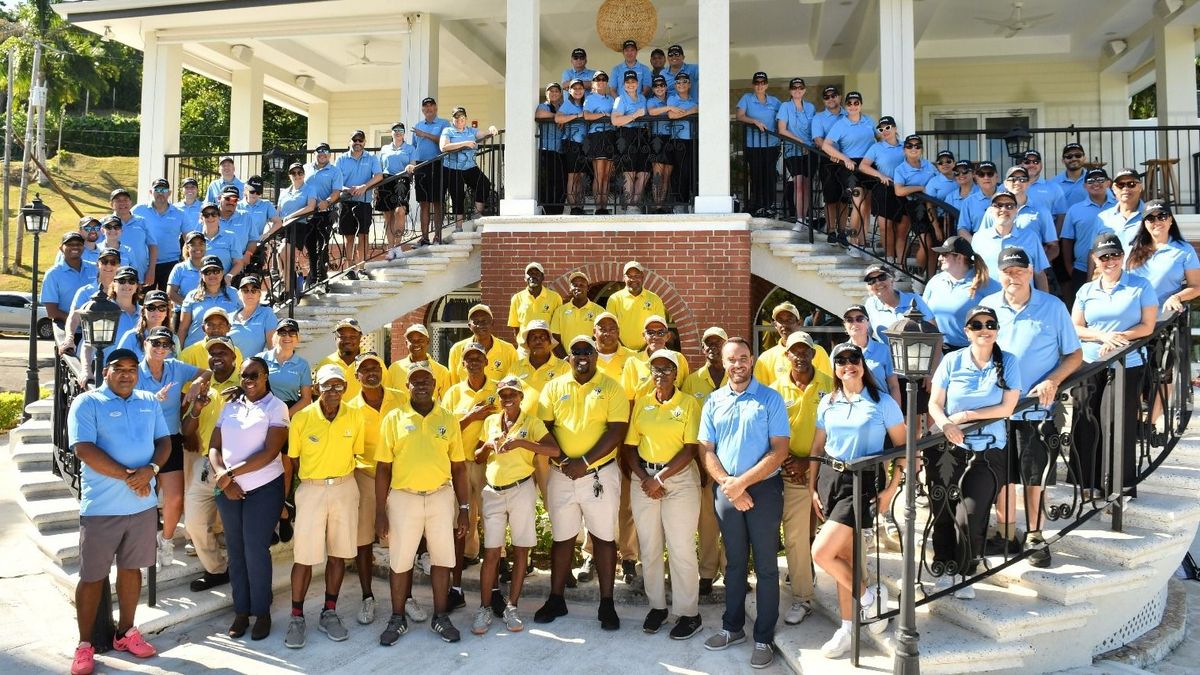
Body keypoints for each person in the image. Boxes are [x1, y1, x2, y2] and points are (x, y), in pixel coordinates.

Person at [67, 349, 170, 675]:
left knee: (131, 569)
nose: (126, 374)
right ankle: (85, 645)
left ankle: (127, 631)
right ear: (106, 371)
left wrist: (151, 470)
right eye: (119, 369)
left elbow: (165, 442)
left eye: (131, 369)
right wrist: (132, 477)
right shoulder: (87, 403)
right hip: (102, 508)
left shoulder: (148, 400)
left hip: (141, 506)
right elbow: (84, 449)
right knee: (92, 576)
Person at [981, 247, 1083, 565]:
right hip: (996, 408)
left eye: (1019, 270)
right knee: (1001, 475)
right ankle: (1007, 533)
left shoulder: (1052, 307)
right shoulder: (987, 308)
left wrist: (1053, 379)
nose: (1014, 276)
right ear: (1000, 274)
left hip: (1035, 409)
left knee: (1033, 475)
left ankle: (1035, 536)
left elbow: (1075, 355)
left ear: (1030, 270)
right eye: (1007, 271)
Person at [809, 342, 904, 659]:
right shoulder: (828, 402)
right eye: (841, 360)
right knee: (845, 560)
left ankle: (868, 600)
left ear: (863, 365)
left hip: (861, 483)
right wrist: (811, 488)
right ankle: (849, 629)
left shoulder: (882, 402)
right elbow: (817, 446)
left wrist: (891, 489)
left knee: (821, 553)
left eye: (853, 359)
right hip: (830, 480)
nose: (848, 364)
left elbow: (903, 449)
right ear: (834, 368)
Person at [698, 337, 788, 669]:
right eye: (732, 359)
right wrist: (727, 484)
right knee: (734, 564)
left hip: (762, 490)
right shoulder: (713, 401)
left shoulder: (770, 399)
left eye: (743, 358)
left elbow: (780, 449)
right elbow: (707, 449)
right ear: (723, 362)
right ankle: (732, 627)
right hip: (726, 491)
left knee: (765, 566)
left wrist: (742, 484)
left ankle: (763, 637)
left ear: (752, 361)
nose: (738, 364)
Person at [533, 334, 628, 630]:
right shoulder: (553, 387)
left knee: (603, 537)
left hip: (598, 473)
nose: (582, 355)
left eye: (588, 350)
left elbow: (616, 431)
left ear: (596, 356)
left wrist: (583, 462)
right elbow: (543, 426)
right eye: (576, 351)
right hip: (562, 474)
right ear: (569, 357)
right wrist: (563, 461)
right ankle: (556, 598)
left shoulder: (612, 387)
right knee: (562, 537)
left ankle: (607, 603)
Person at [926, 307, 1021, 596]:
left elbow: (1007, 408)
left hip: (988, 450)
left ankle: (966, 571)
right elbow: (934, 404)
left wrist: (965, 416)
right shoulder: (953, 361)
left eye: (990, 324)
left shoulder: (1009, 361)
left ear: (996, 329)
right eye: (977, 324)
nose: (984, 329)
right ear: (967, 331)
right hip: (947, 448)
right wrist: (944, 424)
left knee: (972, 513)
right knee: (942, 509)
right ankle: (944, 565)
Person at [375, 363, 469, 645]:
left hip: (440, 496)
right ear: (407, 387)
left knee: (442, 559)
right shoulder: (393, 418)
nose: (421, 385)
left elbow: (460, 467)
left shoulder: (449, 419)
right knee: (401, 560)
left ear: (435, 384)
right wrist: (380, 511)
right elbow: (382, 469)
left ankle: (440, 616)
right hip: (404, 497)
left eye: (426, 380)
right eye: (415, 381)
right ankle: (397, 617)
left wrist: (464, 508)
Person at [621, 350, 704, 639]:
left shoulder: (689, 403)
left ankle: (689, 613)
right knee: (650, 547)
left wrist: (659, 478)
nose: (660, 374)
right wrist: (646, 478)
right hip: (643, 480)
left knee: (680, 548)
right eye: (655, 369)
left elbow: (690, 448)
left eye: (667, 369)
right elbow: (630, 446)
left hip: (678, 481)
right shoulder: (643, 403)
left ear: (677, 373)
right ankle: (657, 607)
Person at [472, 377, 562, 635]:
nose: (507, 399)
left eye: (513, 394)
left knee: (521, 549)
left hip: (521, 489)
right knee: (491, 552)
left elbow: (553, 450)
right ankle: (485, 607)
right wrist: (488, 446)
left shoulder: (531, 422)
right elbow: (477, 458)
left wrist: (522, 443)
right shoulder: (490, 422)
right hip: (493, 492)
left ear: (521, 397)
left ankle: (512, 606)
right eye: (503, 395)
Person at [284, 364, 366, 649]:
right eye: (327, 386)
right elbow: (293, 461)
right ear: (317, 388)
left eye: (338, 386)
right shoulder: (302, 419)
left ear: (345, 388)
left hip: (345, 487)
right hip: (312, 490)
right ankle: (296, 616)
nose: (333, 392)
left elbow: (356, 451)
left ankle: (329, 611)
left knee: (338, 554)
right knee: (304, 557)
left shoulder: (355, 416)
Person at [1071, 233, 1158, 499]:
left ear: (1123, 256)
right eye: (1104, 256)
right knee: (1086, 421)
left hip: (1126, 362)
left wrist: (1118, 338)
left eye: (1115, 255)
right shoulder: (1086, 290)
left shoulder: (1140, 285)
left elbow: (1147, 326)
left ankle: (1119, 485)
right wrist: (1102, 336)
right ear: (1095, 260)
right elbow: (1075, 327)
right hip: (1089, 362)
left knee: (1116, 422)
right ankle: (1087, 484)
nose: (1110, 261)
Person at [210, 356, 289, 641]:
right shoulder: (230, 406)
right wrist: (221, 475)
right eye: (244, 376)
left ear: (266, 376)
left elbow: (270, 452)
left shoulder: (276, 407)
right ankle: (241, 611)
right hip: (227, 488)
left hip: (264, 487)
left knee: (255, 549)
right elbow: (214, 446)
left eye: (254, 375)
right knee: (236, 549)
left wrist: (229, 475)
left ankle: (262, 612)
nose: (249, 381)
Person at [769, 331, 833, 627]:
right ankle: (803, 597)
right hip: (791, 471)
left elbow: (839, 429)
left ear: (812, 353)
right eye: (794, 350)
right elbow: (767, 432)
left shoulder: (831, 385)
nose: (800, 355)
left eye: (805, 350)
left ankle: (860, 589)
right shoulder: (774, 390)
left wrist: (812, 462)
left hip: (826, 470)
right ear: (787, 355)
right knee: (794, 536)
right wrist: (787, 461)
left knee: (843, 534)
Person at [135, 325, 209, 568]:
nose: (160, 348)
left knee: (175, 498)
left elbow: (207, 372)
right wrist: (150, 402)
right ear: (145, 344)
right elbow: (125, 405)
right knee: (145, 496)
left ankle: (165, 541)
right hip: (142, 441)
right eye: (156, 343)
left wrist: (197, 383)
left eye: (166, 345)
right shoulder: (134, 372)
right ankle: (142, 544)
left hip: (170, 439)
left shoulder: (176, 367)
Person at [343, 352, 408, 628]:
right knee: (363, 540)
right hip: (366, 476)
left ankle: (406, 597)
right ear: (356, 377)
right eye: (364, 369)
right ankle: (368, 596)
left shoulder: (401, 397)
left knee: (401, 540)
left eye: (376, 367)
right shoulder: (350, 408)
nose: (371, 372)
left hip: (399, 478)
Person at [179, 336, 240, 594]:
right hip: (205, 465)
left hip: (237, 467)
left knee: (236, 525)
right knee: (193, 524)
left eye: (223, 352)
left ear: (234, 357)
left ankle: (242, 570)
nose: (217, 356)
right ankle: (217, 569)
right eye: (212, 352)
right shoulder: (203, 389)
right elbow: (186, 429)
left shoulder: (246, 384)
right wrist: (197, 408)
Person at [680, 326, 727, 595]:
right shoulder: (692, 382)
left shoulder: (737, 376)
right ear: (702, 349)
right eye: (707, 344)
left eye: (718, 343)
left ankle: (733, 572)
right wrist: (700, 464)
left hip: (733, 462)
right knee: (707, 521)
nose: (712, 348)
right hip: (703, 462)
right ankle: (707, 572)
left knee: (732, 521)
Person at [821, 91, 877, 253]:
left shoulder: (868, 120)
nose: (853, 106)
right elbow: (826, 145)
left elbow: (880, 137)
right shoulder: (841, 124)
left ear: (861, 104)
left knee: (866, 207)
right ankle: (852, 241)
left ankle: (862, 243)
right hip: (850, 166)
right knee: (858, 204)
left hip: (868, 164)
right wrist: (844, 158)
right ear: (846, 106)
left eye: (856, 103)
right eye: (850, 103)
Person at [923, 236, 1001, 351]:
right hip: (936, 350)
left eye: (945, 254)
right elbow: (924, 313)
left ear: (959, 257)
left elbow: (1002, 319)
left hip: (973, 352)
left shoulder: (987, 285)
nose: (939, 258)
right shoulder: (935, 281)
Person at [1124, 200, 1200, 313]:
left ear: (1170, 220)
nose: (1157, 222)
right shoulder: (1130, 249)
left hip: (1162, 319)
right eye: (1150, 218)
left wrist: (1177, 297)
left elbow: (1196, 287)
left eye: (1162, 216)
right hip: (1130, 315)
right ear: (1144, 223)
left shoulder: (1185, 250)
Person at [969, 192, 1052, 292]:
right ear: (990, 211)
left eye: (1009, 206)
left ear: (1016, 211)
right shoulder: (979, 238)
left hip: (1023, 303)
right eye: (998, 205)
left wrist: (1043, 303)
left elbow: (1039, 274)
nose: (1003, 209)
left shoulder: (1030, 237)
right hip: (988, 302)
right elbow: (973, 272)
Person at [975, 166, 1058, 263]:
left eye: (1023, 179)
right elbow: (982, 241)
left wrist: (1038, 265)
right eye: (1013, 179)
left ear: (1028, 183)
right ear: (1005, 183)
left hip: (1028, 273)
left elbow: (1054, 247)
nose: (1018, 182)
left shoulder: (1042, 211)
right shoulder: (993, 211)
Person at [1061, 168, 1115, 306]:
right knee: (1081, 310)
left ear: (1108, 183)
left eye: (1100, 180)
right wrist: (1069, 267)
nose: (1095, 183)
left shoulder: (1118, 207)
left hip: (1114, 268)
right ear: (1085, 186)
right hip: (1081, 269)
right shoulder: (1074, 210)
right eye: (1090, 180)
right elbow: (1067, 240)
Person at [440, 107, 498, 231]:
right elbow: (443, 147)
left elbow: (484, 134)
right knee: (457, 196)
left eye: (462, 117)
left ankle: (477, 214)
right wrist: (465, 143)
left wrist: (491, 129)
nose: (459, 120)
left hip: (470, 167)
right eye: (456, 117)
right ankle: (458, 227)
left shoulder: (471, 130)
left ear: (465, 118)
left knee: (484, 184)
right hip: (453, 168)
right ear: (453, 119)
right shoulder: (448, 130)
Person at [335, 129, 383, 276]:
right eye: (354, 140)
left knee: (363, 235)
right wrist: (347, 189)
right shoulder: (341, 159)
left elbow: (379, 176)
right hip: (346, 202)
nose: (357, 143)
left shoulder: (372, 158)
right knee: (348, 237)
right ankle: (350, 268)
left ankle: (361, 268)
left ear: (364, 142)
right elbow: (336, 181)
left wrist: (364, 186)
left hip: (364, 202)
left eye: (360, 140)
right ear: (349, 142)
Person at [858, 118, 905, 264]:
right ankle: (889, 260)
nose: (884, 131)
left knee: (900, 229)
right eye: (881, 129)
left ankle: (899, 264)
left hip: (903, 190)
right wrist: (880, 175)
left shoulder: (906, 146)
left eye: (888, 127)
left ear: (895, 128)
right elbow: (863, 166)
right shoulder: (876, 147)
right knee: (885, 227)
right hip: (883, 189)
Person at [736, 71, 782, 218]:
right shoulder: (746, 98)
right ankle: (757, 206)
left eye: (763, 83)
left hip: (772, 144)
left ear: (767, 85)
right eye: (757, 83)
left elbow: (782, 118)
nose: (760, 86)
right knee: (756, 175)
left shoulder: (775, 101)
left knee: (769, 175)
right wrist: (754, 121)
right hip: (753, 145)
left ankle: (770, 206)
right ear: (753, 85)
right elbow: (739, 115)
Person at [754, 301, 832, 383]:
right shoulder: (765, 358)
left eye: (789, 320)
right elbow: (759, 392)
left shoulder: (818, 352)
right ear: (775, 325)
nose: (784, 325)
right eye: (780, 321)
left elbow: (828, 385)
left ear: (799, 323)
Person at [132, 178, 187, 291]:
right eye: (157, 189)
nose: (160, 192)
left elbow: (188, 237)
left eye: (164, 189)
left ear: (170, 193)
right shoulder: (138, 210)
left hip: (170, 263)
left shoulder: (179, 213)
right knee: (143, 300)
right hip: (145, 263)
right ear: (151, 192)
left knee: (167, 301)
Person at [303, 143, 346, 286]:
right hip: (308, 213)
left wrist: (327, 202)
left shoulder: (335, 171)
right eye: (319, 151)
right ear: (314, 153)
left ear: (329, 154)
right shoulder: (305, 168)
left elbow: (336, 192)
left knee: (322, 245)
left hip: (325, 213)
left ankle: (322, 277)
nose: (322, 154)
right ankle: (313, 276)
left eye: (325, 151)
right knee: (309, 245)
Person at [840, 305, 901, 403]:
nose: (855, 323)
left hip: (880, 410)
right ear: (845, 325)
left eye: (860, 319)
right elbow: (834, 384)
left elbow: (893, 386)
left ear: (868, 323)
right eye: (849, 320)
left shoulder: (884, 350)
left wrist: (896, 413)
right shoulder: (838, 352)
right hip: (850, 409)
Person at [177, 255, 241, 348]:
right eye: (207, 272)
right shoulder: (191, 296)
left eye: (216, 271)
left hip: (226, 350)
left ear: (222, 273)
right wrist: (178, 353)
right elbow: (183, 329)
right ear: (201, 275)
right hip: (195, 351)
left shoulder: (234, 294)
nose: (212, 275)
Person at [776, 78, 816, 223]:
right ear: (790, 91)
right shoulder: (785, 106)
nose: (797, 90)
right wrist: (801, 142)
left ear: (804, 90)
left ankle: (804, 218)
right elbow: (782, 129)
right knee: (798, 184)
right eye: (794, 88)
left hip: (810, 152)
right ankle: (799, 219)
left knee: (806, 185)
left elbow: (815, 129)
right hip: (793, 150)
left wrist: (812, 144)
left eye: (800, 87)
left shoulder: (811, 107)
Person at [447, 304, 517, 384]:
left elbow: (514, 382)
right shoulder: (457, 350)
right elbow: (453, 383)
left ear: (492, 323)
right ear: (469, 326)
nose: (480, 325)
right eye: (476, 321)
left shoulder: (509, 350)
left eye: (485, 321)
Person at [412, 98, 451, 242]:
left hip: (438, 165)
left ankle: (438, 236)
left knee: (437, 201)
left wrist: (425, 134)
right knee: (424, 203)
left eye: (431, 105)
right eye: (425, 106)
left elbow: (444, 141)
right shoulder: (418, 125)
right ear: (422, 110)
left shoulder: (444, 123)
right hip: (421, 167)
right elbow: (415, 147)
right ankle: (424, 237)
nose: (428, 108)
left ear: (435, 108)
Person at [611, 70, 651, 213]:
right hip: (626, 134)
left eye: (633, 81)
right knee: (630, 171)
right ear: (623, 84)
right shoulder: (620, 99)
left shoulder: (642, 98)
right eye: (627, 82)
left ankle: (635, 202)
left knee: (645, 172)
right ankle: (630, 206)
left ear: (638, 83)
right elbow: (615, 120)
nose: (630, 84)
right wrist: (634, 115)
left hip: (642, 134)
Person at [42, 231, 98, 329]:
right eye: (69, 244)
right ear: (61, 248)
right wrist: (78, 321)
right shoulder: (53, 274)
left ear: (84, 248)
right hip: (66, 329)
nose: (75, 247)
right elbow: (52, 311)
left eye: (79, 244)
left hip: (95, 329)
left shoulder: (95, 269)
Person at [605, 261, 666, 350]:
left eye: (636, 276)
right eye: (629, 276)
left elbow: (660, 327)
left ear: (642, 277)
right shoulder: (614, 299)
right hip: (621, 351)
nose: (633, 279)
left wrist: (646, 347)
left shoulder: (655, 299)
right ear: (624, 278)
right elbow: (610, 327)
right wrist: (623, 347)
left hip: (648, 351)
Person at [812, 85, 848, 233]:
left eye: (833, 96)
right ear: (823, 101)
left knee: (845, 199)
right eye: (827, 97)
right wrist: (832, 153)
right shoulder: (818, 117)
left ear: (839, 97)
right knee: (830, 198)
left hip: (847, 161)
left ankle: (842, 231)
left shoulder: (849, 115)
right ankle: (831, 231)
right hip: (828, 161)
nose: (831, 99)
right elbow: (818, 140)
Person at [259, 318, 313, 414]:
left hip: (289, 412)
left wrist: (285, 416)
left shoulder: (302, 365)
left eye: (292, 333)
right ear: (276, 336)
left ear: (297, 338)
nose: (287, 336)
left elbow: (306, 399)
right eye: (282, 332)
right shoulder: (260, 359)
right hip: (262, 410)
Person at [109, 188, 159, 289]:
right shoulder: (105, 224)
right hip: (113, 278)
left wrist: (151, 270)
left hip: (140, 275)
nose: (122, 203)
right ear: (111, 204)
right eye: (118, 200)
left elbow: (152, 246)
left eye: (125, 200)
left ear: (131, 203)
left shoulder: (142, 221)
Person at [378, 123, 417, 250]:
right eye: (395, 130)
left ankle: (398, 246)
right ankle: (391, 248)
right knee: (388, 216)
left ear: (404, 133)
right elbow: (379, 168)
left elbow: (413, 164)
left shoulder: (410, 148)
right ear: (391, 133)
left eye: (401, 130)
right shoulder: (384, 148)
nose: (398, 132)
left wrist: (410, 166)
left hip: (401, 181)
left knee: (400, 211)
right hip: (385, 181)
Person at [388, 323, 452, 399]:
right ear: (406, 343)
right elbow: (388, 397)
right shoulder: (394, 368)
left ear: (428, 341)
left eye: (420, 340)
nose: (416, 344)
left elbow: (446, 402)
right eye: (412, 340)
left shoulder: (442, 371)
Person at [583, 71, 616, 214]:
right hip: (597, 135)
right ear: (593, 83)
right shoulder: (590, 99)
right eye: (598, 79)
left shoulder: (611, 99)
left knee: (607, 175)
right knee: (599, 173)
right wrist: (603, 115)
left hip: (610, 135)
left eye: (604, 79)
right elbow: (587, 115)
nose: (601, 81)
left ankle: (604, 206)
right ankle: (599, 207)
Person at [555, 79, 590, 215]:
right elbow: (558, 118)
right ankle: (574, 207)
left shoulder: (585, 103)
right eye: (574, 88)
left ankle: (579, 207)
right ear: (569, 91)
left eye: (580, 88)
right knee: (573, 175)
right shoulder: (568, 104)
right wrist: (576, 116)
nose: (578, 90)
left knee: (581, 176)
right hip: (571, 143)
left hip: (584, 144)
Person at [550, 270, 603, 355]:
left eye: (582, 285)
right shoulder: (560, 311)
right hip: (566, 360)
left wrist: (590, 355)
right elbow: (555, 337)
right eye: (574, 285)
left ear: (587, 288)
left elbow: (601, 337)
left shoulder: (599, 311)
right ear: (570, 288)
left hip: (590, 359)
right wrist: (565, 358)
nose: (578, 287)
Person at [667, 71, 699, 210]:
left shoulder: (693, 100)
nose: (681, 84)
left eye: (684, 81)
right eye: (678, 82)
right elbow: (671, 115)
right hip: (679, 140)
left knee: (694, 171)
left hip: (694, 139)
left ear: (690, 84)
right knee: (681, 172)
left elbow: (699, 108)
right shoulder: (672, 99)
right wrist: (690, 112)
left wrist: (685, 113)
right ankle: (681, 204)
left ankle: (694, 203)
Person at [316, 317, 367, 401]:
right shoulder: (326, 363)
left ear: (360, 337)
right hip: (335, 414)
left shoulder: (372, 362)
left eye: (353, 336)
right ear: (335, 338)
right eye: (342, 336)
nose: (347, 340)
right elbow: (318, 396)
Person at [645, 75, 675, 214]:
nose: (659, 88)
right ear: (653, 88)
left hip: (671, 138)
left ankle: (662, 204)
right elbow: (652, 111)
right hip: (657, 138)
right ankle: (657, 205)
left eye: (662, 85)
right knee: (658, 174)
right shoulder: (651, 100)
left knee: (666, 175)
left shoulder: (671, 98)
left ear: (666, 87)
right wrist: (669, 108)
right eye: (656, 86)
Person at [116, 290, 176, 360]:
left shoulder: (174, 339)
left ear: (167, 312)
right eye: (151, 307)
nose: (157, 312)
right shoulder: (131, 337)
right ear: (143, 311)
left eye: (162, 308)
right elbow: (119, 364)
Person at [536, 83, 567, 215]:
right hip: (546, 149)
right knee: (547, 182)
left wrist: (562, 117)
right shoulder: (544, 106)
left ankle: (558, 210)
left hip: (560, 150)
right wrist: (557, 117)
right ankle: (548, 210)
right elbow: (538, 114)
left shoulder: (562, 107)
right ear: (547, 94)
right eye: (551, 91)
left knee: (561, 182)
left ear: (560, 94)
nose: (554, 93)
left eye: (556, 91)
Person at [226, 275, 275, 357]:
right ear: (239, 294)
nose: (249, 293)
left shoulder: (267, 314)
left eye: (254, 290)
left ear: (259, 294)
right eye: (245, 290)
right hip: (230, 367)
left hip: (253, 367)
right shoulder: (229, 317)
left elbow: (272, 347)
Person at [1098, 169, 1145, 247]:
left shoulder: (1152, 216)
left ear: (1140, 187)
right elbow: (1094, 252)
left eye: (1131, 184)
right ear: (1113, 189)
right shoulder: (1103, 218)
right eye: (1120, 185)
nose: (1125, 188)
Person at [509, 261, 563, 329]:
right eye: (530, 274)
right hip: (524, 340)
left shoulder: (555, 298)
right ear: (525, 278)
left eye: (536, 273)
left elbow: (558, 325)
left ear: (543, 277)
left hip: (546, 339)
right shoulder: (517, 298)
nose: (533, 276)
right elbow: (515, 327)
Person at [238, 176, 283, 252]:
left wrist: (267, 234)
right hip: (238, 245)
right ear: (246, 190)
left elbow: (278, 223)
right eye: (252, 191)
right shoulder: (237, 205)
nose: (255, 194)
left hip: (256, 245)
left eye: (258, 192)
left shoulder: (266, 205)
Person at [167, 231, 207, 306]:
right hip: (183, 311)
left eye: (201, 244)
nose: (197, 247)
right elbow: (171, 293)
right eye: (193, 244)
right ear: (187, 248)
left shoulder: (212, 267)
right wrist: (190, 306)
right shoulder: (179, 268)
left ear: (205, 246)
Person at [1051, 143, 1089, 207]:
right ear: (1063, 160)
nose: (1074, 159)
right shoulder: (1054, 183)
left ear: (1084, 158)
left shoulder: (1094, 180)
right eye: (1069, 156)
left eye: (1078, 155)